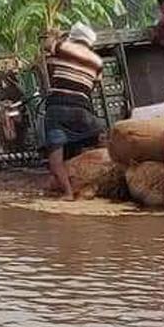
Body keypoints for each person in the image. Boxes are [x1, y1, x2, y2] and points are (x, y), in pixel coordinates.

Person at [43, 22, 106, 201]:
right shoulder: (98, 62)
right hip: (82, 111)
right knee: (101, 137)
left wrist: (55, 34)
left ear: (74, 38)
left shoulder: (65, 48)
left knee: (55, 160)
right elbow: (95, 83)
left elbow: (47, 45)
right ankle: (102, 177)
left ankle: (68, 193)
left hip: (56, 110)